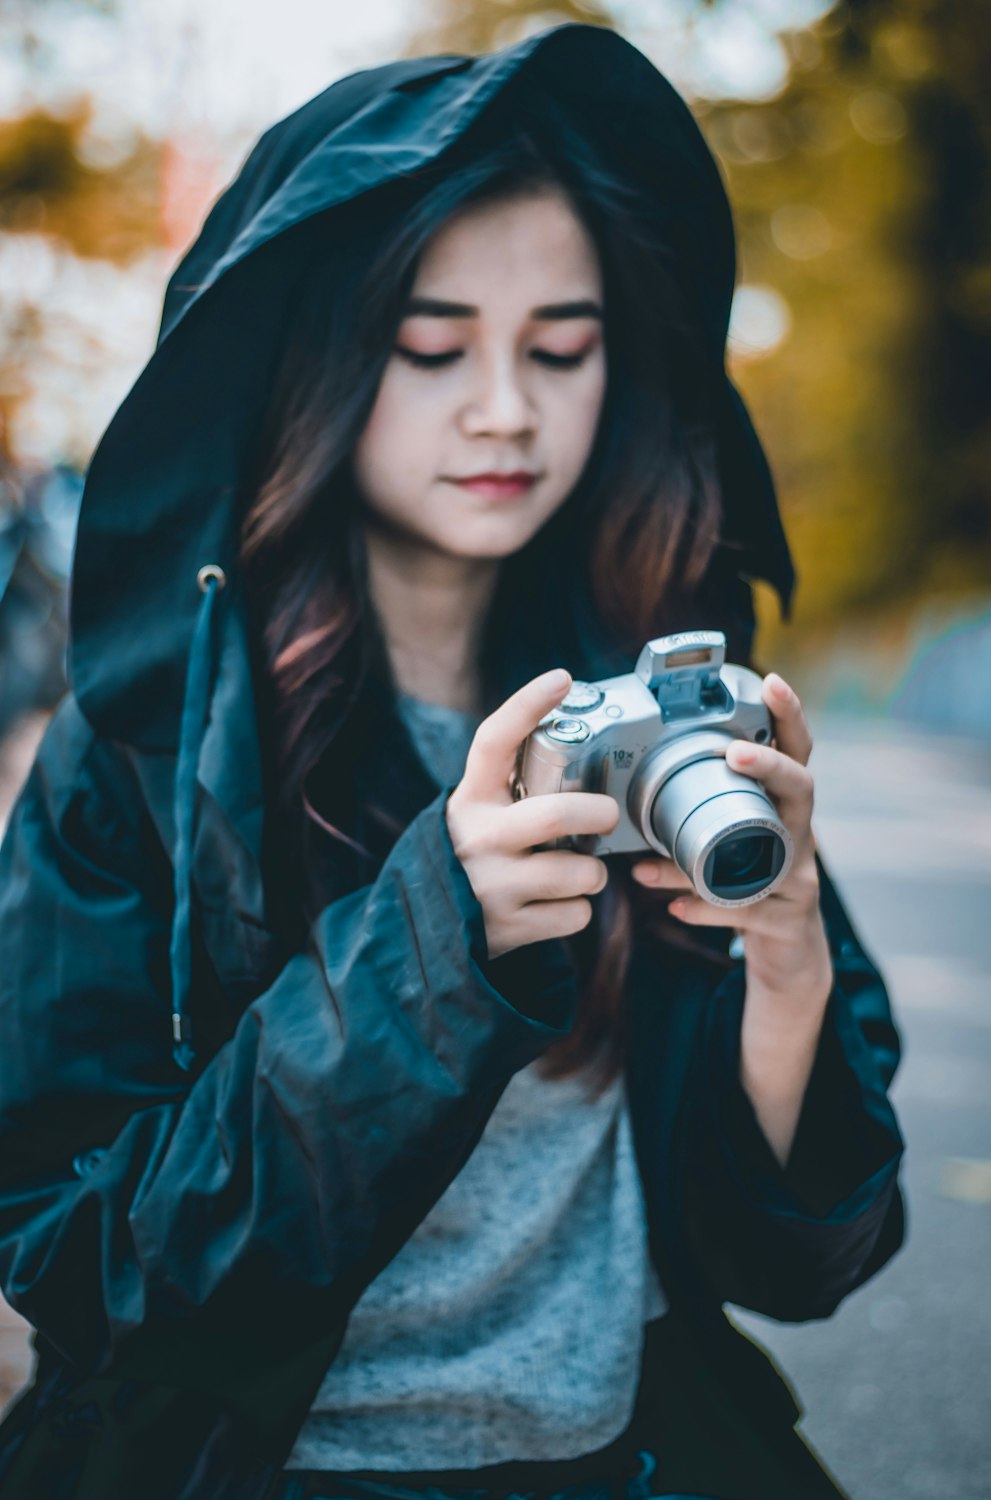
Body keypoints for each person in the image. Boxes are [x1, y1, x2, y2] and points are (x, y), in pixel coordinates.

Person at [0, 22, 905, 1500]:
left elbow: (803, 1263)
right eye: (433, 346)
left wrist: (792, 971)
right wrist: (441, 933)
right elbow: (87, 1267)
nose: (507, 406)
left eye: (563, 344)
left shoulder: (671, 712)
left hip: (633, 1455)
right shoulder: (144, 748)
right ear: (318, 359)